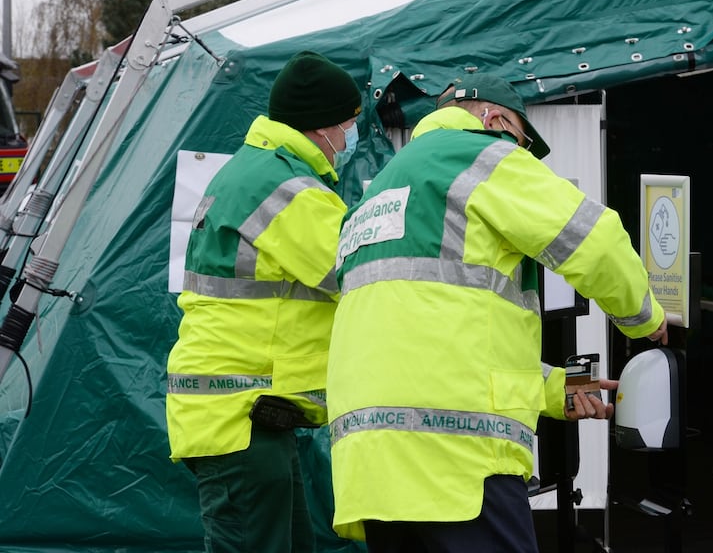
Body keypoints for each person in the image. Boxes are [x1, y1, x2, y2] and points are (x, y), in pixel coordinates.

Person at [326, 73, 668, 552]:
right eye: (522, 144)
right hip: (455, 457)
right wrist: (646, 321)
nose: (521, 158)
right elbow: (596, 240)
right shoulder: (482, 156)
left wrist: (560, 390)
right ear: (495, 120)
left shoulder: (375, 192)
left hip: (370, 467)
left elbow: (432, 339)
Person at [166, 50, 362, 553]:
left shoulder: (254, 171)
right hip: (239, 416)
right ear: (320, 126)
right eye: (348, 122)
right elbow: (354, 270)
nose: (350, 135)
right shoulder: (284, 187)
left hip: (242, 413)